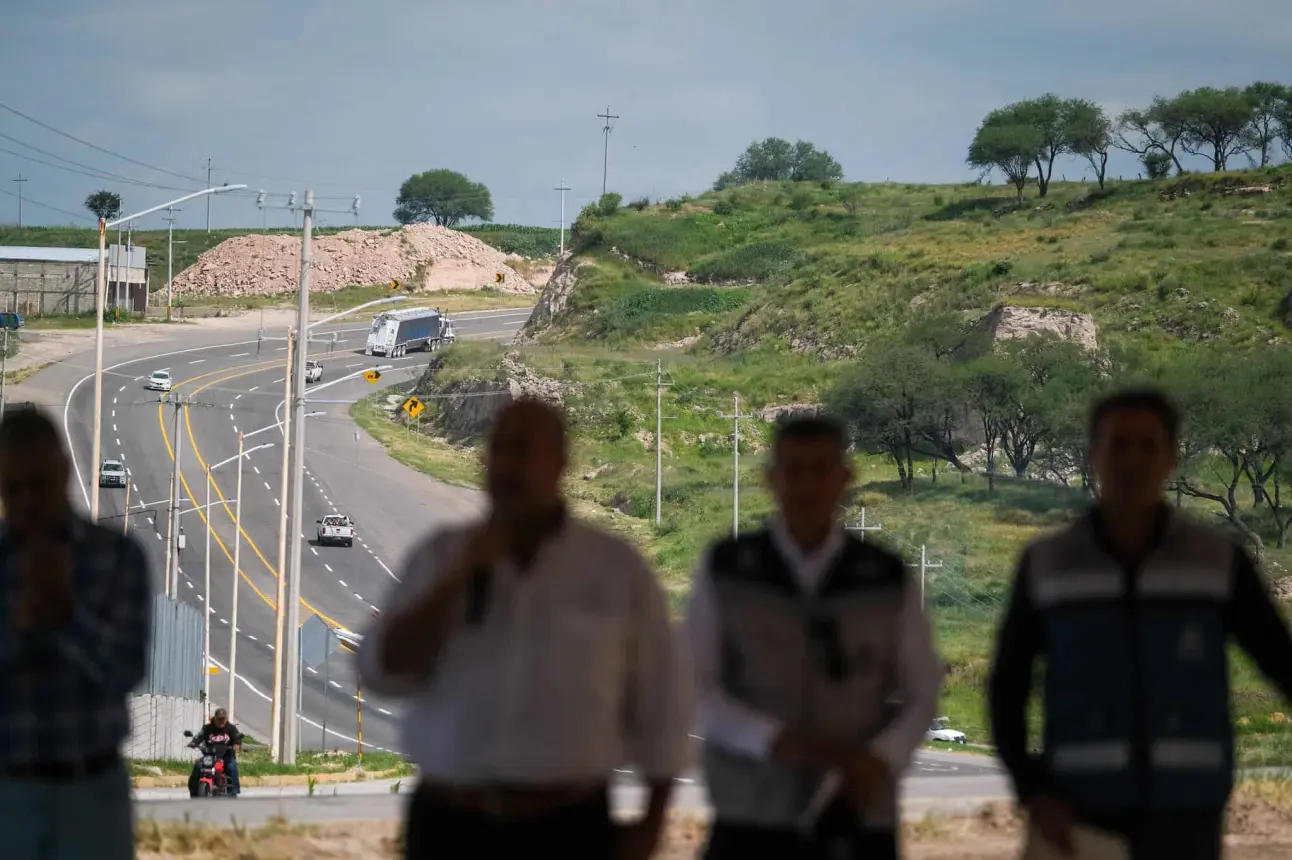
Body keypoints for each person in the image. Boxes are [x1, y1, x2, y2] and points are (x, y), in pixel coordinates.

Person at [357, 398, 693, 860]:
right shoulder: (439, 558)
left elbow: (664, 706)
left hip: (568, 827)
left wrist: (652, 825)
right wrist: (457, 579)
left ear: (560, 463)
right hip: (452, 825)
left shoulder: (615, 571)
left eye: (523, 449)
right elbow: (380, 670)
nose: (508, 465)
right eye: (499, 449)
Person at [988, 388, 1292, 860]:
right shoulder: (1048, 564)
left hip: (1188, 810)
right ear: (1094, 455)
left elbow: (1280, 661)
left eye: (1147, 445)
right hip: (1076, 810)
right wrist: (1032, 789)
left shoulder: (1216, 561)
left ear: (1170, 456)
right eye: (1118, 445)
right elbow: (1007, 685)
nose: (1131, 459)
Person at [686, 415, 944, 860]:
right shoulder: (727, 570)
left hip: (859, 812)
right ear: (772, 479)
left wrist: (878, 761)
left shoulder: (885, 578)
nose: (807, 486)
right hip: (751, 815)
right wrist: (772, 740)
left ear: (846, 477)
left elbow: (923, 689)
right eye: (794, 470)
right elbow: (694, 687)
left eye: (821, 469)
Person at [0, 406, 152, 859]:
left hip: (90, 790)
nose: (27, 502)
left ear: (63, 472)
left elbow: (125, 672)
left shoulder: (116, 558)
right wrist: (21, 628)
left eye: (39, 485)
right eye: (13, 488)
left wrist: (67, 617)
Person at [187, 707, 242, 797]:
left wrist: (236, 744)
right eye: (219, 719)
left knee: (232, 766)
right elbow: (199, 736)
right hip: (209, 756)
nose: (221, 721)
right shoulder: (207, 728)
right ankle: (193, 791)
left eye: (223, 719)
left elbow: (237, 739)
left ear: (226, 719)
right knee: (198, 765)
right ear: (215, 718)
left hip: (226, 755)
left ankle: (233, 792)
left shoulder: (231, 728)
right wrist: (194, 743)